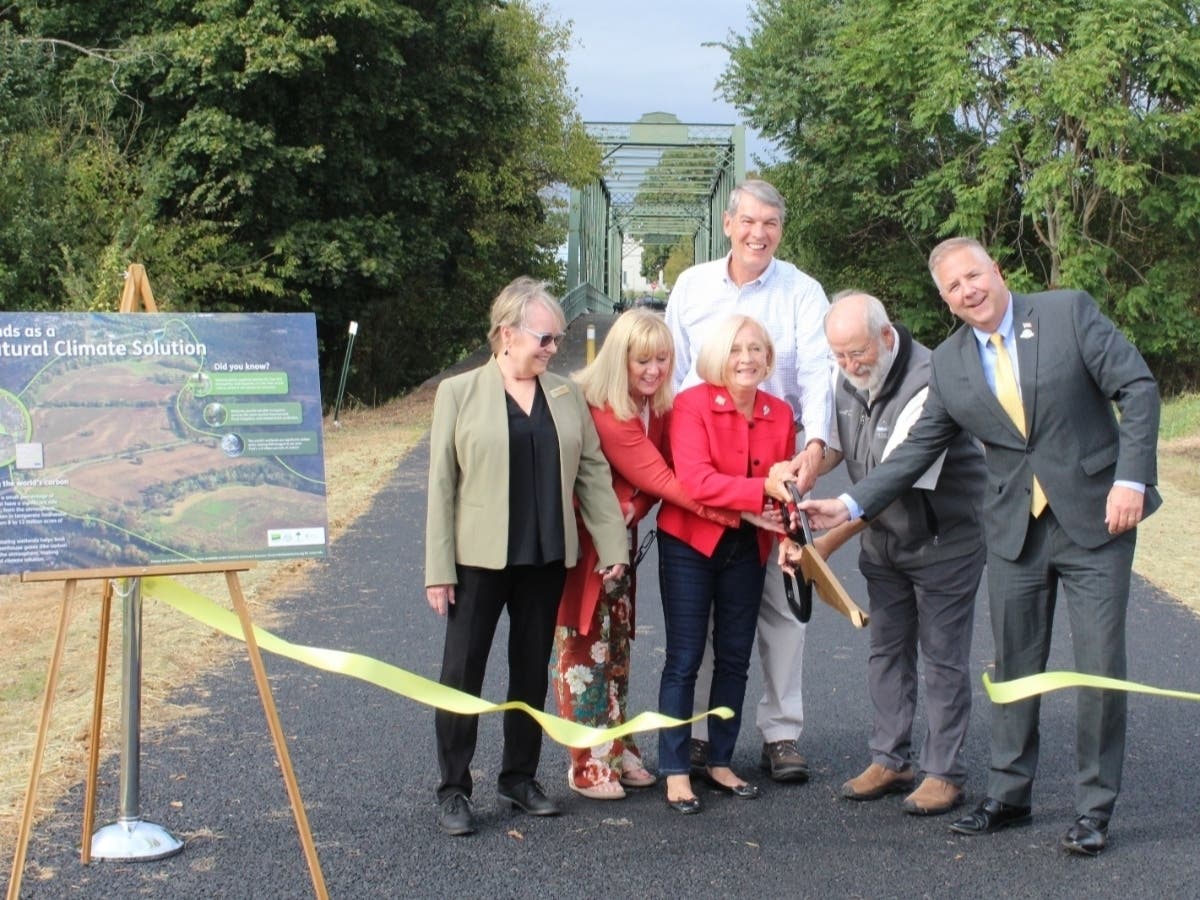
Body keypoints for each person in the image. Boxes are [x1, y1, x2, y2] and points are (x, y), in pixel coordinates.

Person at [792, 239, 1161, 855]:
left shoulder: (1068, 312)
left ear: (998, 270)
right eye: (953, 286)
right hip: (1015, 529)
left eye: (974, 275)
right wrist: (851, 504)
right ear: (944, 300)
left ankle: (1095, 809)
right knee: (1015, 667)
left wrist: (1131, 477)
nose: (968, 290)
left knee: (1098, 668)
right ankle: (1010, 796)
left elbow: (1139, 388)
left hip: (1098, 519)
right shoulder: (954, 363)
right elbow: (915, 450)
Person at [424, 277, 629, 837]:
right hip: (477, 561)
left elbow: (592, 474)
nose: (553, 349)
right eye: (544, 338)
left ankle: (519, 778)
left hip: (544, 558)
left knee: (529, 672)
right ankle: (453, 788)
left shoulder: (566, 396)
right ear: (507, 334)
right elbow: (441, 486)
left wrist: (614, 546)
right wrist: (438, 570)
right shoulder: (459, 394)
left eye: (558, 339)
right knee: (460, 674)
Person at [780, 291, 986, 817]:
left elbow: (893, 480)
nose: (849, 367)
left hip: (944, 540)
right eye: (840, 356)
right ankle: (890, 759)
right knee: (886, 652)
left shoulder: (932, 381)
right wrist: (805, 465)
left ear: (887, 336)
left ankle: (945, 773)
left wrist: (819, 545)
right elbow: (840, 446)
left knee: (941, 658)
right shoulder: (847, 376)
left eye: (857, 354)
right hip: (887, 544)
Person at [665, 178, 832, 783]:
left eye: (772, 224)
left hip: (784, 460)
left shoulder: (802, 292)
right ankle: (710, 734)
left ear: (780, 231)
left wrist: (813, 451)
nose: (759, 233)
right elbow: (677, 375)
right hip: (710, 471)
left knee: (784, 607)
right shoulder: (691, 286)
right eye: (750, 221)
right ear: (729, 223)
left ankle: (782, 734)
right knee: (712, 616)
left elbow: (817, 375)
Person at [550, 308, 739, 801]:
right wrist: (737, 512)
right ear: (620, 360)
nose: (653, 370)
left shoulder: (655, 406)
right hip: (585, 539)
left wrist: (635, 503)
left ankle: (618, 745)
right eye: (642, 361)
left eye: (662, 359)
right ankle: (586, 759)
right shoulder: (609, 410)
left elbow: (655, 483)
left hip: (621, 537)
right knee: (583, 644)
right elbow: (666, 480)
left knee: (617, 644)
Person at [657, 314, 795, 813]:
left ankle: (720, 760)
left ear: (768, 357)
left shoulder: (779, 413)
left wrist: (787, 523)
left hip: (748, 547)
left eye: (757, 348)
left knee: (734, 657)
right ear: (719, 354)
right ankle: (674, 769)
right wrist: (762, 493)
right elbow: (696, 481)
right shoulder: (690, 405)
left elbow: (783, 488)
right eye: (737, 349)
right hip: (690, 543)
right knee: (685, 657)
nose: (747, 358)